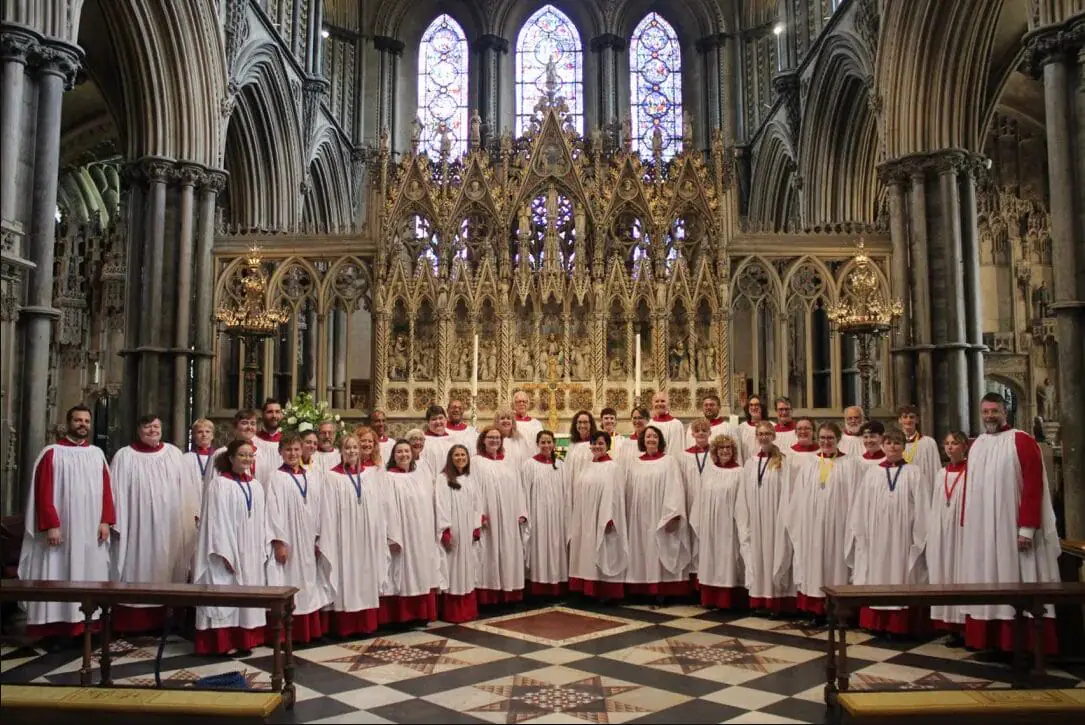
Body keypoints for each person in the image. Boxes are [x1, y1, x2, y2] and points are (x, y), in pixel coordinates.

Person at [959, 392, 1060, 655]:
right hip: (982, 530)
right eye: (985, 411)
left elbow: (1033, 487)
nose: (989, 416)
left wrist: (1027, 528)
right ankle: (989, 641)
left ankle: (1020, 644)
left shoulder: (1022, 441)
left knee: (1014, 578)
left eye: (994, 410)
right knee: (987, 578)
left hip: (1011, 528)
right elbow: (970, 489)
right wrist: (967, 526)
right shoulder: (978, 444)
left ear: (1005, 411)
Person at [18, 405, 114, 646]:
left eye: (86, 420)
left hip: (91, 530)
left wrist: (105, 521)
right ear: (68, 423)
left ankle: (85, 629)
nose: (82, 424)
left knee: (89, 574)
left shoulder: (96, 454)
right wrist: (51, 524)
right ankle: (55, 630)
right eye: (77, 420)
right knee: (58, 573)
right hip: (62, 531)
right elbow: (44, 492)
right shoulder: (52, 453)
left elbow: (106, 491)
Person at [109, 414, 188, 634]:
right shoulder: (124, 456)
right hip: (135, 526)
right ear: (138, 430)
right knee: (135, 568)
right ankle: (131, 621)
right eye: (147, 427)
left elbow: (186, 492)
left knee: (165, 568)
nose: (152, 430)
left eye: (156, 426)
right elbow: (115, 493)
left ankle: (165, 620)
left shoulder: (174, 454)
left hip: (167, 526)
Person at [847, 428, 929, 636]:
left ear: (904, 447)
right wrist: (863, 534)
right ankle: (876, 623)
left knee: (900, 575)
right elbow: (861, 506)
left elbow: (922, 506)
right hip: (876, 537)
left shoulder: (914, 472)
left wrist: (917, 535)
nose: (893, 447)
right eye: (889, 443)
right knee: (877, 576)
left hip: (903, 536)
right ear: (883, 446)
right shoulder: (873, 473)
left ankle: (899, 624)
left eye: (897, 443)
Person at [193, 439, 270, 655]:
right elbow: (215, 521)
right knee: (225, 591)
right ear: (231, 458)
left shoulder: (255, 486)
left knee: (248, 594)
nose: (247, 459)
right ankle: (221, 642)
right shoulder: (219, 484)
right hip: (226, 550)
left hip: (251, 550)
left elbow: (260, 520)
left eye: (250, 455)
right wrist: (224, 551)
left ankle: (245, 639)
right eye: (242, 455)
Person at [786, 421, 860, 621]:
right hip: (811, 527)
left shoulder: (850, 463)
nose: (826, 442)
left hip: (839, 527)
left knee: (835, 566)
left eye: (830, 438)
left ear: (838, 439)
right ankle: (815, 609)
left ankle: (836, 612)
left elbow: (855, 498)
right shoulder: (810, 462)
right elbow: (799, 497)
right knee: (813, 566)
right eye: (822, 438)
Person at [266, 433, 333, 643]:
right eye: (288, 450)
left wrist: (318, 537)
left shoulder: (310, 476)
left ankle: (309, 630)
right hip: (288, 539)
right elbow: (272, 511)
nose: (293, 454)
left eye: (296, 449)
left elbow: (319, 507)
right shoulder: (276, 477)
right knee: (289, 581)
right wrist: (278, 542)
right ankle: (288, 632)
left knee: (309, 583)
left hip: (307, 539)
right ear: (280, 453)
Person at [320, 432, 387, 637]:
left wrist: (378, 533)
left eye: (355, 448)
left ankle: (365, 624)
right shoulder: (332, 476)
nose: (352, 451)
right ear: (341, 451)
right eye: (347, 448)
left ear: (361, 451)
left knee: (366, 574)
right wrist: (330, 536)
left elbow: (378, 506)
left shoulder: (369, 475)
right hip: (344, 537)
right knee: (346, 575)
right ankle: (347, 625)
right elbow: (328, 510)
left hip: (366, 536)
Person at [736, 421, 796, 615]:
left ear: (774, 435)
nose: (764, 437)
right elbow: (743, 494)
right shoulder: (750, 463)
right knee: (757, 557)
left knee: (775, 554)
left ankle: (776, 602)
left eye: (767, 433)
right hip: (755, 519)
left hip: (775, 519)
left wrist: (783, 518)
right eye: (760, 434)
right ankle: (759, 600)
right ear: (756, 437)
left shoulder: (783, 462)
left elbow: (787, 493)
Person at [624, 425, 690, 598]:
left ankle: (661, 589)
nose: (651, 440)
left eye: (654, 437)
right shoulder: (634, 462)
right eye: (647, 437)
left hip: (661, 514)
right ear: (642, 441)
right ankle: (641, 588)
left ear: (660, 440)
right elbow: (629, 490)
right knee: (641, 549)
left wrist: (673, 515)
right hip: (638, 516)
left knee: (659, 547)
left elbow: (675, 488)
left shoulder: (669, 461)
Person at [382, 440, 441, 625]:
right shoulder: (388, 478)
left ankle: (421, 613)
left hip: (421, 534)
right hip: (402, 533)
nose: (404, 455)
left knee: (422, 571)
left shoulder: (420, 475)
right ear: (393, 455)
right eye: (399, 452)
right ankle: (403, 615)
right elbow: (386, 507)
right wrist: (393, 535)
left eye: (407, 451)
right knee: (404, 572)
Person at [568, 431, 628, 602]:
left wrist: (610, 517)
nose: (597, 447)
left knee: (602, 551)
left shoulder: (613, 467)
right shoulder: (586, 466)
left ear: (608, 446)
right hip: (585, 518)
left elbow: (616, 494)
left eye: (601, 443)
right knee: (585, 553)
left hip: (603, 518)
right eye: (594, 443)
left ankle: (604, 591)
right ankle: (586, 589)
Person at [473, 426, 530, 605]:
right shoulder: (476, 462)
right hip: (488, 516)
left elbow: (518, 486)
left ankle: (509, 592)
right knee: (489, 551)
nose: (494, 441)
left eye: (497, 438)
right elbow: (473, 490)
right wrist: (479, 514)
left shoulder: (509, 462)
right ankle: (489, 595)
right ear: (483, 440)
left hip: (509, 515)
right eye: (490, 437)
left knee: (508, 551)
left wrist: (521, 511)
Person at [691, 435, 745, 609]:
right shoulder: (709, 471)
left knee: (727, 559)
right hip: (709, 525)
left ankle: (726, 599)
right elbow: (700, 498)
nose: (724, 451)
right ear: (715, 451)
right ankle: (710, 598)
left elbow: (742, 501)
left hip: (729, 524)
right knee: (710, 558)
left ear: (733, 451)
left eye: (728, 448)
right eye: (721, 448)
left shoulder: (740, 472)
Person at [927, 431, 969, 645]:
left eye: (955, 443)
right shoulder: (940, 473)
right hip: (944, 532)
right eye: (947, 443)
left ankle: (965, 625)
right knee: (946, 574)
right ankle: (950, 626)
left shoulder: (971, 472)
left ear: (964, 446)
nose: (950, 447)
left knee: (961, 574)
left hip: (962, 533)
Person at [435, 445, 483, 623]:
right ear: (450, 457)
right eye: (456, 455)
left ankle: (467, 610)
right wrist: (446, 529)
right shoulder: (443, 478)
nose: (460, 458)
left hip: (468, 530)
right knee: (452, 569)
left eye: (463, 455)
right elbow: (440, 503)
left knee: (468, 568)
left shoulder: (471, 477)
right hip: (453, 529)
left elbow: (478, 502)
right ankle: (452, 612)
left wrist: (476, 525)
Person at [521, 430, 567, 596]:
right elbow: (524, 491)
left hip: (557, 515)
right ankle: (538, 588)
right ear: (537, 444)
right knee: (539, 547)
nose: (546, 445)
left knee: (556, 547)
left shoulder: (561, 464)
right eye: (543, 442)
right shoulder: (529, 465)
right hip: (537, 515)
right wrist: (525, 514)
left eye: (549, 442)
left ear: (554, 444)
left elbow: (566, 492)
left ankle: (556, 587)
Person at [179, 418, 215, 576]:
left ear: (213, 435)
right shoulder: (185, 459)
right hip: (191, 513)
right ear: (193, 435)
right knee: (190, 552)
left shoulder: (220, 457)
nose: (204, 435)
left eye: (207, 432)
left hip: (212, 510)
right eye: (200, 432)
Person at [204, 409, 259, 484]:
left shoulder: (260, 453)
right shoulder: (222, 453)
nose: (249, 427)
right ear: (235, 427)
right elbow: (213, 485)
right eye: (244, 423)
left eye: (253, 423)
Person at [897, 404, 940, 499]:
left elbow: (935, 470)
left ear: (917, 420)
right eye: (905, 417)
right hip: (900, 491)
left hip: (922, 492)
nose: (908, 420)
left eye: (912, 417)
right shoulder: (894, 444)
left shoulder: (928, 443)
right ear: (899, 420)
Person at [687, 395, 736, 459]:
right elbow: (688, 449)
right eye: (706, 405)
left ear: (719, 407)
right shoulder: (693, 428)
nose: (708, 407)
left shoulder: (729, 428)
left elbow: (735, 453)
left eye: (712, 405)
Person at [253, 398, 284, 480]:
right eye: (270, 412)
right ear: (262, 414)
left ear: (282, 415)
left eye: (277, 412)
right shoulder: (253, 441)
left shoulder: (287, 442)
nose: (274, 416)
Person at [420, 404, 455, 476]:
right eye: (434, 419)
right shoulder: (422, 441)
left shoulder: (453, 440)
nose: (438, 422)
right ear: (428, 422)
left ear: (446, 420)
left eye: (440, 418)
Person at [737, 394, 766, 462]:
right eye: (751, 405)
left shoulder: (770, 426)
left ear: (762, 407)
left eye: (757, 405)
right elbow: (739, 453)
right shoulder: (741, 428)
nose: (753, 407)